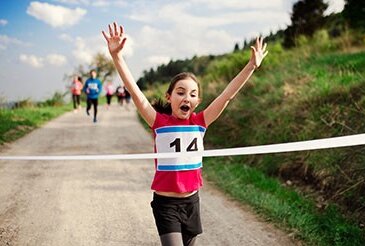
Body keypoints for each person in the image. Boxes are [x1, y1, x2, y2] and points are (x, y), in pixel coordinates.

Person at [102, 22, 268, 246]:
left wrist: (250, 67)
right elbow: (134, 91)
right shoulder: (158, 121)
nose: (186, 98)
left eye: (192, 94)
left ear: (197, 102)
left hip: (192, 202)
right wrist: (117, 57)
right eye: (180, 92)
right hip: (165, 205)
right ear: (169, 97)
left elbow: (227, 95)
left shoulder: (201, 121)